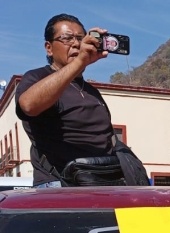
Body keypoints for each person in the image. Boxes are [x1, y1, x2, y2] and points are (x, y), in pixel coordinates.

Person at [16, 14, 146, 187]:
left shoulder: (91, 91)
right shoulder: (36, 77)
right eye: (67, 38)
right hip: (60, 186)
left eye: (80, 38)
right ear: (49, 48)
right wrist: (80, 61)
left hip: (104, 182)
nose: (76, 43)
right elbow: (28, 105)